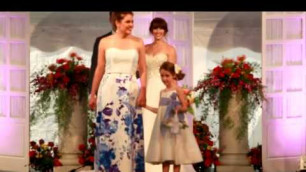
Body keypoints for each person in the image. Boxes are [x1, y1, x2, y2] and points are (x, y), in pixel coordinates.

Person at [88, 11, 147, 172]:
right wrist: (92, 93)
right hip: (109, 90)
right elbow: (99, 68)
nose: (131, 25)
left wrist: (144, 91)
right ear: (117, 22)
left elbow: (143, 69)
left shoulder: (138, 42)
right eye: (128, 22)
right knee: (109, 132)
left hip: (131, 89)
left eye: (132, 21)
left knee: (130, 132)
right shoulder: (104, 42)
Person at [145, 61, 202, 172]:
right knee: (165, 154)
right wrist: (146, 106)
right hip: (164, 126)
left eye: (167, 75)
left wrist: (177, 108)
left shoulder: (178, 90)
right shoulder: (162, 92)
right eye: (162, 76)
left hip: (175, 124)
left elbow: (185, 107)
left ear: (174, 75)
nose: (164, 78)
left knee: (177, 154)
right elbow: (160, 110)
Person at [142, 17, 177, 172]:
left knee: (162, 128)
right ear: (151, 30)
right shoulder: (144, 48)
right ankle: (146, 166)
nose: (158, 31)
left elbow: (173, 75)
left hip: (163, 90)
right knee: (146, 126)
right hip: (147, 89)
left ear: (165, 31)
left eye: (161, 28)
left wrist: (172, 96)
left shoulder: (170, 49)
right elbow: (141, 71)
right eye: (155, 28)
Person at [88, 12, 115, 93]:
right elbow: (95, 66)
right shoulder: (101, 40)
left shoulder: (134, 42)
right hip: (106, 87)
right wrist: (92, 92)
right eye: (115, 17)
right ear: (110, 19)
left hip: (127, 87)